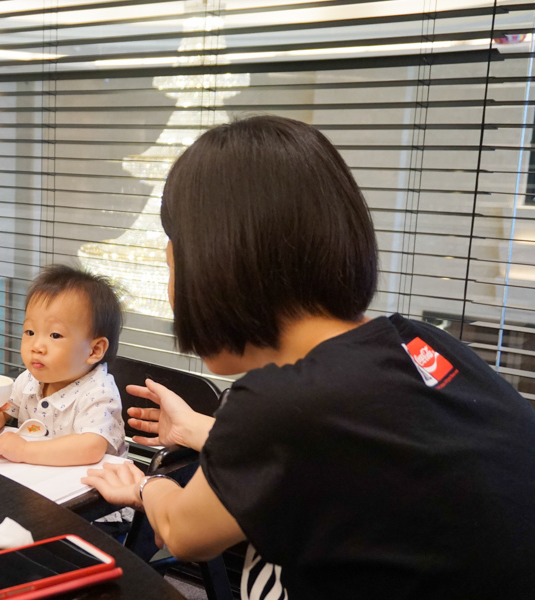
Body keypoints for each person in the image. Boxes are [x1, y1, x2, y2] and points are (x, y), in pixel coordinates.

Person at [82, 115, 535, 599]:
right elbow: (350, 448)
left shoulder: (283, 401)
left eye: (173, 267)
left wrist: (142, 486)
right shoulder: (421, 344)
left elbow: (185, 534)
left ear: (214, 267)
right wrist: (195, 428)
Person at [0, 264, 126, 466]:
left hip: (92, 491)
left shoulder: (99, 393)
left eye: (55, 335)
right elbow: (1, 412)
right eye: (30, 332)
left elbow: (90, 448)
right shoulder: (29, 380)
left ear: (94, 350)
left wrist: (23, 450)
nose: (36, 346)